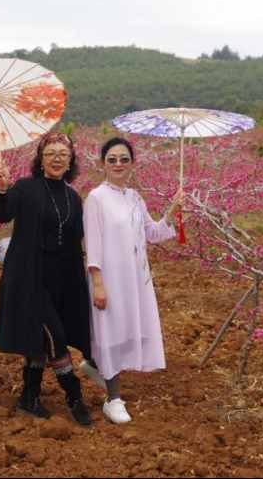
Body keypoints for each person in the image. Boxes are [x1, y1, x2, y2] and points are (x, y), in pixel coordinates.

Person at [0, 132, 92, 426]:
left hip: (60, 281)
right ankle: (74, 396)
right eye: (51, 154)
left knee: (40, 341)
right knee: (55, 336)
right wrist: (1, 188)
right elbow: (1, 215)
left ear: (70, 160)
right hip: (28, 279)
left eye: (63, 154)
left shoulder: (73, 197)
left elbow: (77, 238)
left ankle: (29, 397)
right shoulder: (24, 188)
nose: (57, 158)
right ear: (41, 159)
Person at [80, 137, 183, 424]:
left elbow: (152, 233)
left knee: (125, 329)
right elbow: (94, 244)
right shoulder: (96, 198)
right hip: (110, 276)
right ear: (102, 164)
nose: (118, 164)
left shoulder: (135, 197)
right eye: (112, 159)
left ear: (132, 164)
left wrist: (173, 209)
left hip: (135, 278)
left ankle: (94, 364)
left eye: (124, 159)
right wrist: (97, 281)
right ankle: (113, 399)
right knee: (110, 330)